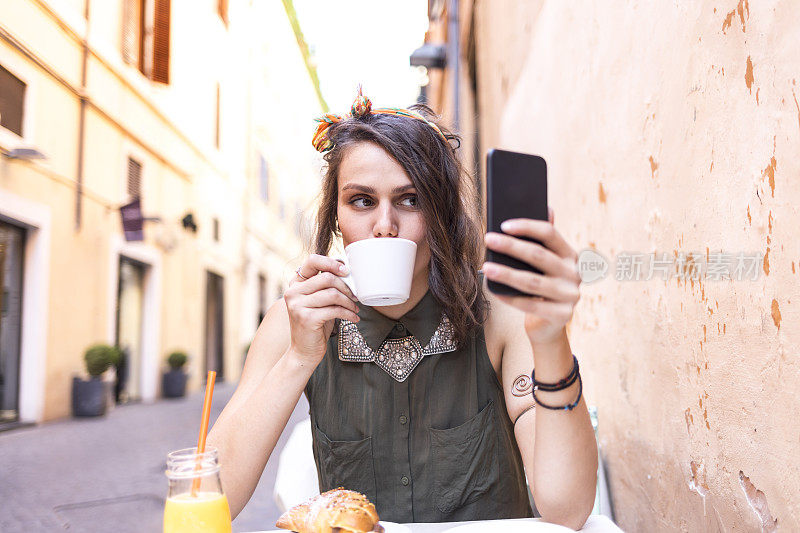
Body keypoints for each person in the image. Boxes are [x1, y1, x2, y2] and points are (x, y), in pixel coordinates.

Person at [207, 89, 597, 529]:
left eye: (411, 200)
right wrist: (299, 357)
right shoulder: (297, 320)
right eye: (362, 201)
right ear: (337, 217)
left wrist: (550, 341)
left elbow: (568, 510)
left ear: (442, 213)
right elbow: (211, 498)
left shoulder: (499, 313)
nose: (384, 226)